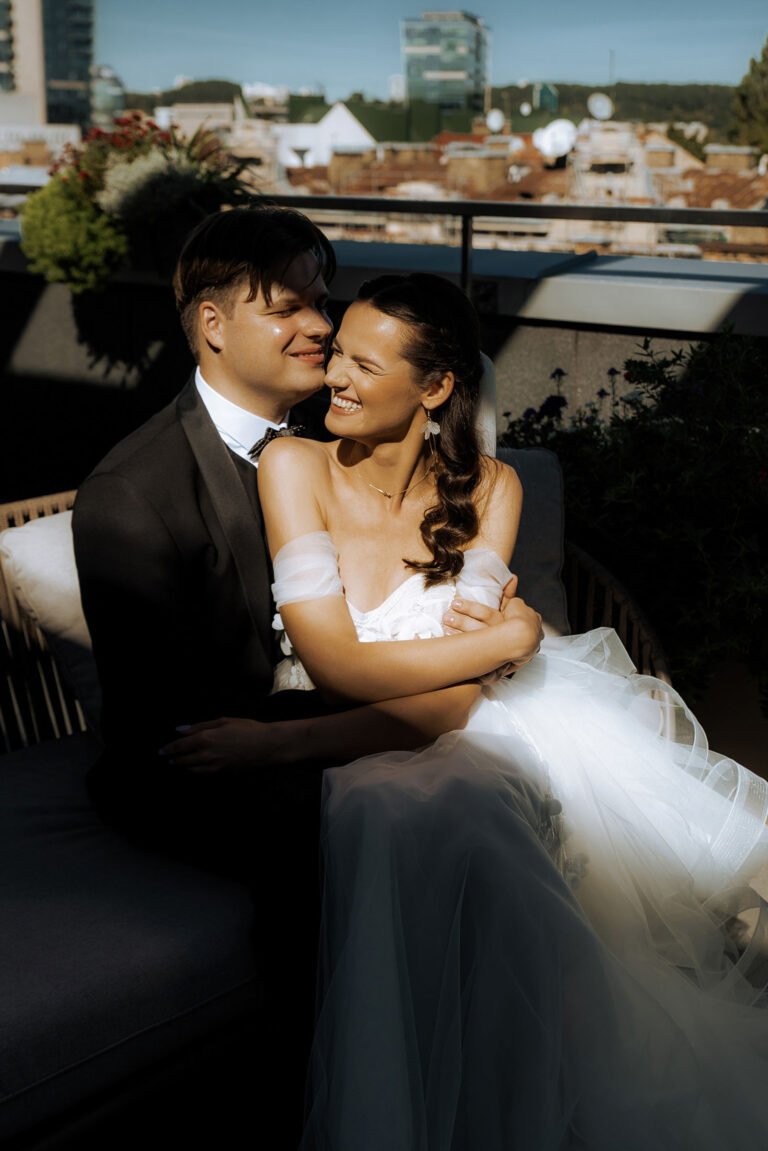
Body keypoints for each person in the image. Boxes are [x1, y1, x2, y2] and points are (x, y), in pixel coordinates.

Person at [165, 272, 768, 1150]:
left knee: (485, 807)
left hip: (508, 719)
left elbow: (458, 703)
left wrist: (276, 749)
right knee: (424, 810)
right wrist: (501, 640)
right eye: (338, 354)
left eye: (365, 365)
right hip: (407, 732)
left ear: (436, 387)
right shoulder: (293, 466)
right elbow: (335, 664)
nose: (334, 375)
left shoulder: (495, 488)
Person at [73, 210, 541, 1137]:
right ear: (212, 324)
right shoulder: (134, 494)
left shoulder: (331, 437)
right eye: (291, 305)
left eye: (323, 303)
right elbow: (182, 724)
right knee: (379, 823)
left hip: (328, 716)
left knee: (498, 798)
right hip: (203, 756)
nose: (324, 329)